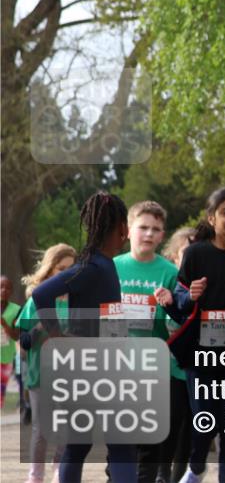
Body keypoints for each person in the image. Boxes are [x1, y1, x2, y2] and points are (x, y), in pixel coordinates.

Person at [31, 192, 136, 483]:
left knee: (79, 444)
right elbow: (41, 294)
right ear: (121, 229)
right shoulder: (91, 267)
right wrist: (56, 335)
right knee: (121, 446)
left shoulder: (102, 264)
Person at [163, 187, 225, 483]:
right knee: (204, 423)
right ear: (212, 217)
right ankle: (196, 469)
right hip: (200, 355)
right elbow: (179, 306)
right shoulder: (196, 254)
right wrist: (190, 296)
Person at [114, 201, 187, 483]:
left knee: (150, 448)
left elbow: (182, 321)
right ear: (128, 230)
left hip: (156, 369)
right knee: (121, 445)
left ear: (162, 235)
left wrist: (171, 307)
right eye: (142, 227)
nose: (148, 234)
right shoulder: (112, 267)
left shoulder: (169, 273)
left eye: (155, 229)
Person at [17, 244, 75, 483]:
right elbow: (22, 343)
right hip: (41, 374)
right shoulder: (37, 301)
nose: (65, 274)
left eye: (71, 270)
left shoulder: (78, 301)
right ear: (50, 270)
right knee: (41, 432)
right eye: (61, 268)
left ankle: (59, 474)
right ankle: (35, 476)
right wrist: (39, 329)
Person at [160, 228, 196, 483]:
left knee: (189, 431)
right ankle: (162, 474)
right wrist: (170, 303)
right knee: (169, 425)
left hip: (196, 370)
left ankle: (177, 477)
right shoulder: (169, 282)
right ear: (174, 257)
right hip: (169, 368)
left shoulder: (205, 284)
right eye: (186, 253)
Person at [1, 274, 21, 409]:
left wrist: (5, 325)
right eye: (1, 287)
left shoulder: (16, 310)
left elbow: (16, 336)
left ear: (11, 292)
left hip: (7, 356)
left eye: (8, 288)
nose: (4, 290)